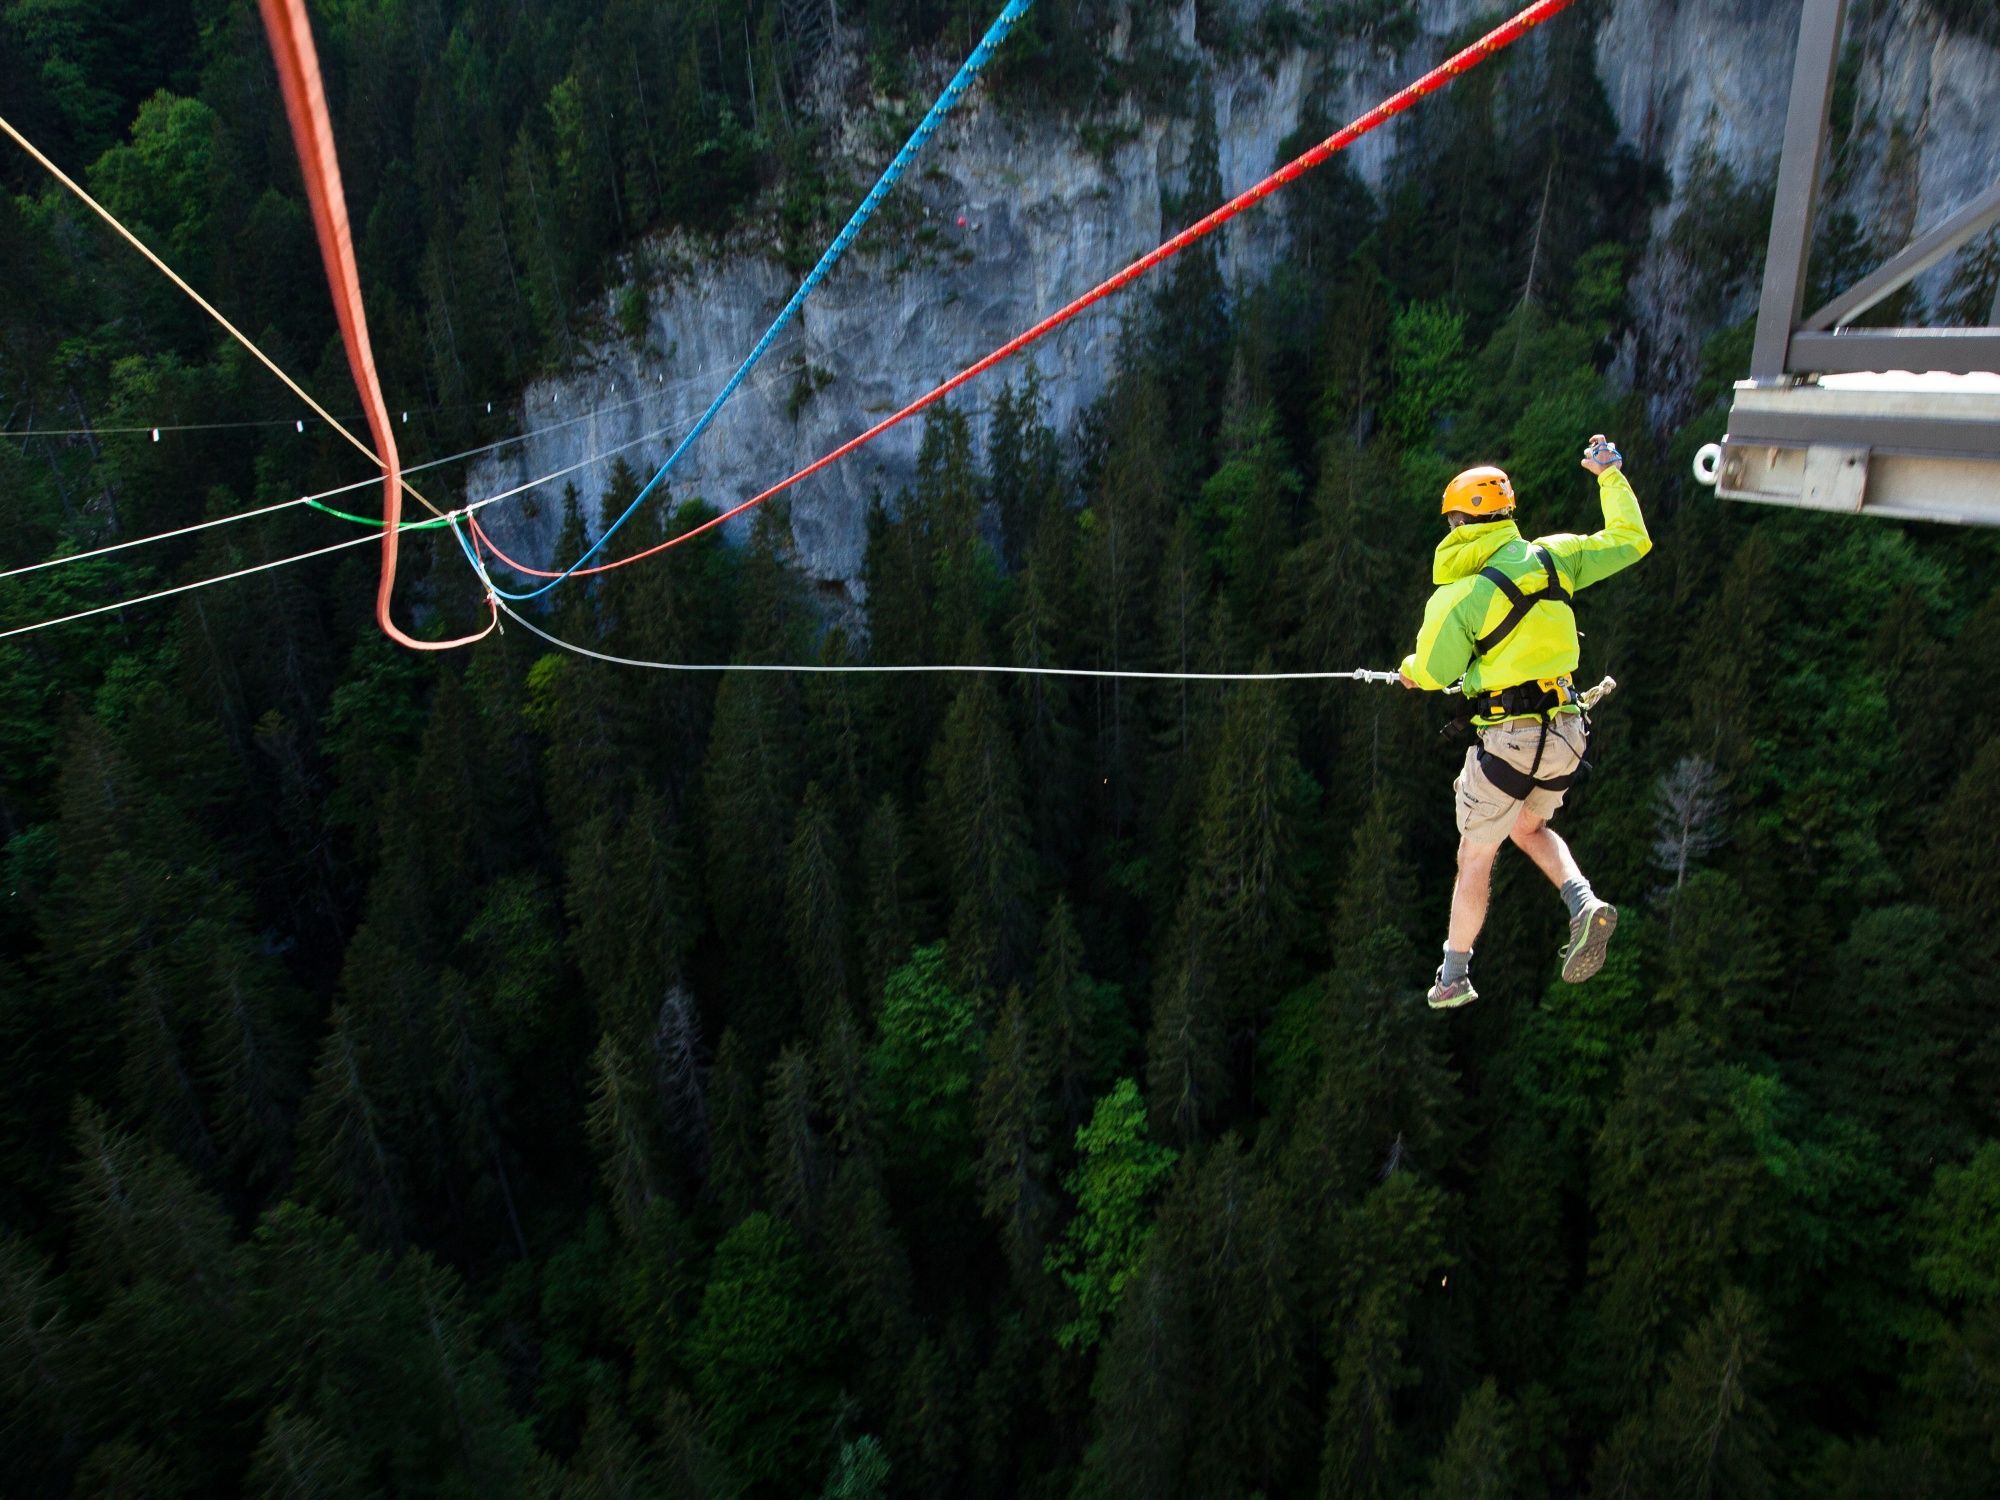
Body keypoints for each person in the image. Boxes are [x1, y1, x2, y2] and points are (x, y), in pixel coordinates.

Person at [1398, 435, 1651, 1009]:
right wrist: (1610, 475)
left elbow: (1435, 673)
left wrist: (1410, 671)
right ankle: (1582, 903)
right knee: (1529, 829)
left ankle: (1453, 975)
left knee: (1475, 856)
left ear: (1461, 523)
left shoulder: (1459, 597)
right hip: (1567, 731)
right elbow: (1630, 541)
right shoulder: (1552, 556)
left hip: (1509, 741)